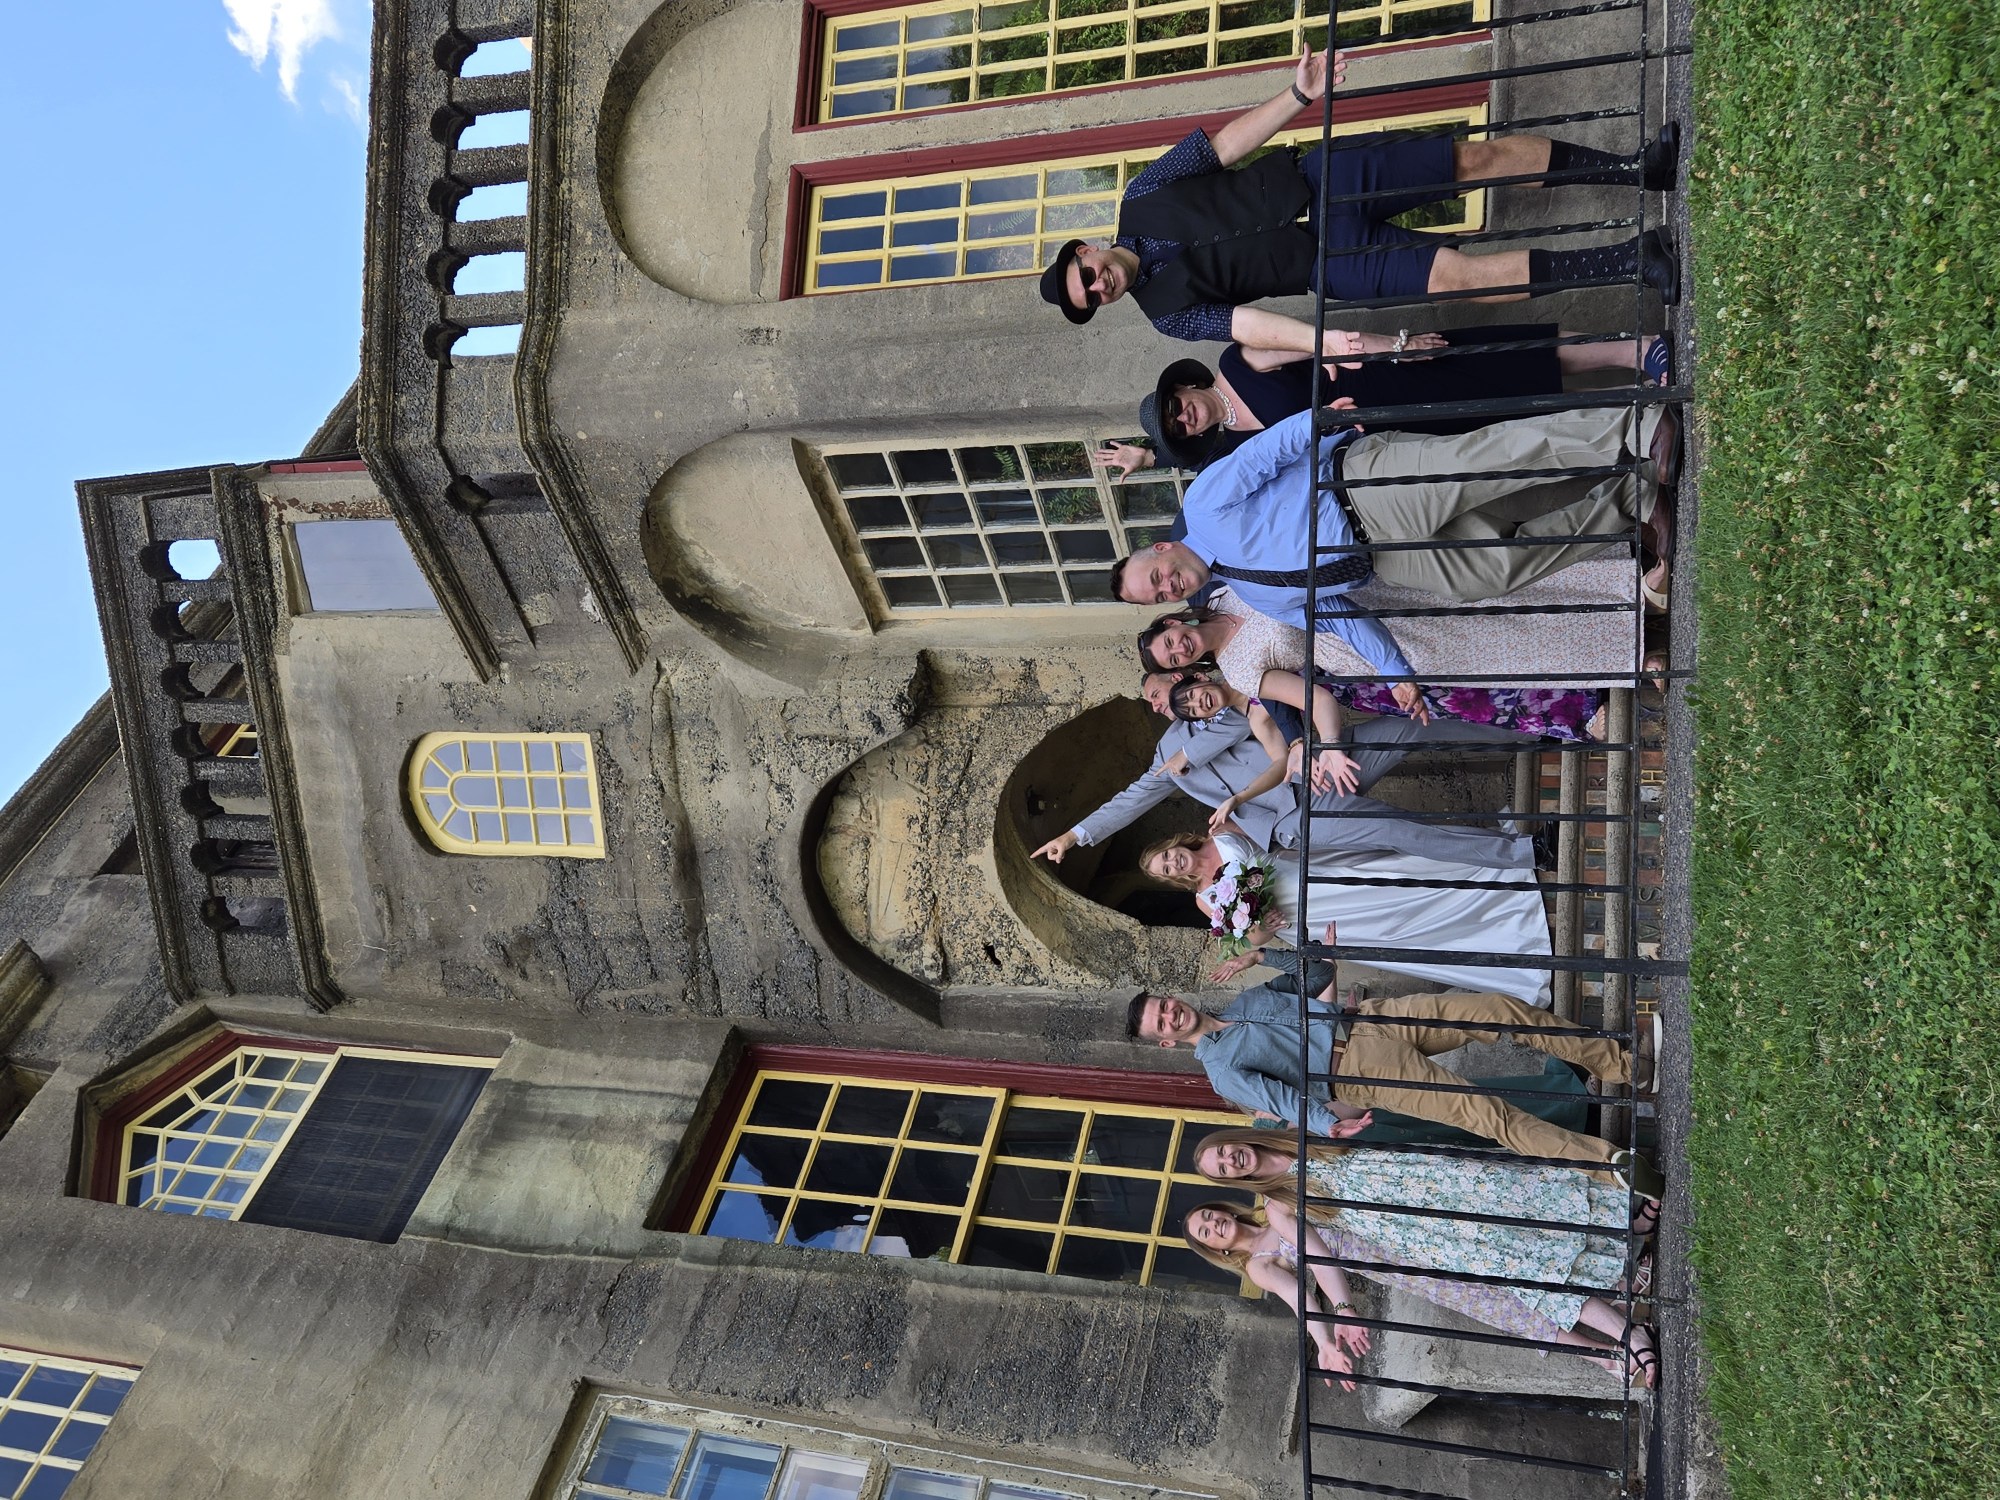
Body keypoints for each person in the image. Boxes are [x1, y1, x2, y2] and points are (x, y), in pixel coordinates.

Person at [1039, 47, 1679, 355]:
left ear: (1087, 250)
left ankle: (1635, 168)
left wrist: (1298, 95)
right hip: (1327, 261)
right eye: (1091, 299)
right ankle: (1632, 259)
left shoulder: (1142, 193)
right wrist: (1321, 342)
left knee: (1472, 162)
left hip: (1324, 177)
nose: (1099, 286)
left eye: (1086, 275)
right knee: (1461, 280)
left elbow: (1225, 146)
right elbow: (1247, 327)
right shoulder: (1166, 316)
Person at [1111, 403, 1681, 676]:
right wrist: (1395, 673)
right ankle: (1631, 502)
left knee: (1490, 462)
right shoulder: (1250, 595)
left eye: (1156, 577)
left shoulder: (1202, 506)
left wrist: (1316, 421)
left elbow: (1261, 455)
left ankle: (1638, 427)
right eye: (1158, 595)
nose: (1168, 587)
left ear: (1161, 549)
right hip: (1382, 560)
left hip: (1360, 490)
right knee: (1493, 572)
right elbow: (1337, 618)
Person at [1125, 983, 1663, 1193]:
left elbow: (1307, 976)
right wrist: (1326, 1123)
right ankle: (1610, 1167)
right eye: (1162, 1023)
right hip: (1358, 1069)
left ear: (1173, 998)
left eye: (1165, 1005)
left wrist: (1261, 944)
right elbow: (1279, 1100)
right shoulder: (1221, 1070)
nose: (1171, 1015)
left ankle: (1624, 1066)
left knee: (1497, 1010)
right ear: (1166, 1041)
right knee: (1487, 1115)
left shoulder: (1243, 1001)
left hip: (1373, 1018)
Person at [1183, 1153, 1659, 1385]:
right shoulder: (1261, 1265)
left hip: (1402, 1229)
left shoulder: (1273, 1202)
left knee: (1515, 1255)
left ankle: (1618, 1289)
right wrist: (1326, 1343)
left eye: (1209, 1216)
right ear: (1215, 1250)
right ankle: (1607, 1358)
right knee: (1504, 1305)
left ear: (1220, 1207)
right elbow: (1301, 1299)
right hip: (1400, 1265)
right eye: (1206, 1233)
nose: (1214, 1226)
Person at [1096, 328, 1671, 478]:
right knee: (1511, 416)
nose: (1183, 417)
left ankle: (1636, 350)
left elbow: (1321, 342)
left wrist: (1398, 345)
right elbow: (1205, 470)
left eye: (1176, 406)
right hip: (1387, 429)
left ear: (1185, 387)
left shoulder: (1238, 360)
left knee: (1513, 360)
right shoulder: (1232, 444)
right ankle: (1633, 405)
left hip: (1388, 373)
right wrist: (1151, 456)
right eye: (1178, 427)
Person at [1142, 800, 1555, 1003]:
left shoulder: (1220, 831)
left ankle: (1498, 871)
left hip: (1311, 872)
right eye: (1166, 870)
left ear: (1172, 845)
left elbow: (1276, 834)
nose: (1173, 863)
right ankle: (1509, 938)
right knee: (1396, 929)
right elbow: (1248, 939)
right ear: (1170, 879)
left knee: (1399, 874)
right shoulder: (1205, 901)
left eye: (1167, 856)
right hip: (1306, 916)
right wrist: (1264, 926)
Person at [1161, 675, 1554, 883]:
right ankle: (1529, 853)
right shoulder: (1174, 764)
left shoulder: (1234, 694)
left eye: (1163, 695)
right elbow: (1278, 762)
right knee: (1398, 830)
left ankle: (1532, 732)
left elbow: (1252, 730)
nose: (1160, 704)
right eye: (1188, 709)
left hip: (1325, 759)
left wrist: (1190, 751)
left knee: (1408, 728)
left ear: (1194, 676)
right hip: (1296, 815)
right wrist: (1236, 798)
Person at [1141, 590, 1615, 743]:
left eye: (1170, 643)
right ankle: (1579, 708)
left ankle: (1608, 623)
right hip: (1355, 658)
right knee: (1472, 686)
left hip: (1364, 600)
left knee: (1483, 617)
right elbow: (1310, 697)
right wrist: (1327, 747)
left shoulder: (1224, 591)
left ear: (1171, 622)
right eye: (1174, 657)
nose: (1180, 649)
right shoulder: (1239, 672)